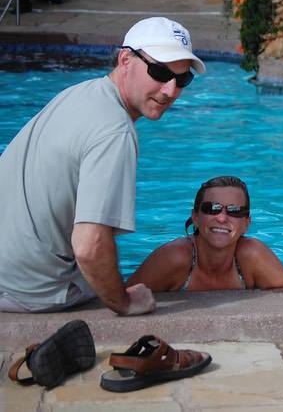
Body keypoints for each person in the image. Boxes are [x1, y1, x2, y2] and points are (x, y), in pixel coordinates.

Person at [0, 16, 206, 315]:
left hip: (8, 271)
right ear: (125, 59)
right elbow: (89, 246)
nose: (170, 90)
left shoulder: (79, 93)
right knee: (125, 283)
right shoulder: (115, 131)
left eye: (183, 79)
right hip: (30, 290)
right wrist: (124, 303)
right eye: (160, 72)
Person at [127, 176, 283, 291]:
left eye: (234, 211)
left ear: (246, 223)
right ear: (195, 217)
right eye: (212, 209)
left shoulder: (252, 256)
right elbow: (121, 302)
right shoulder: (175, 257)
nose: (222, 218)